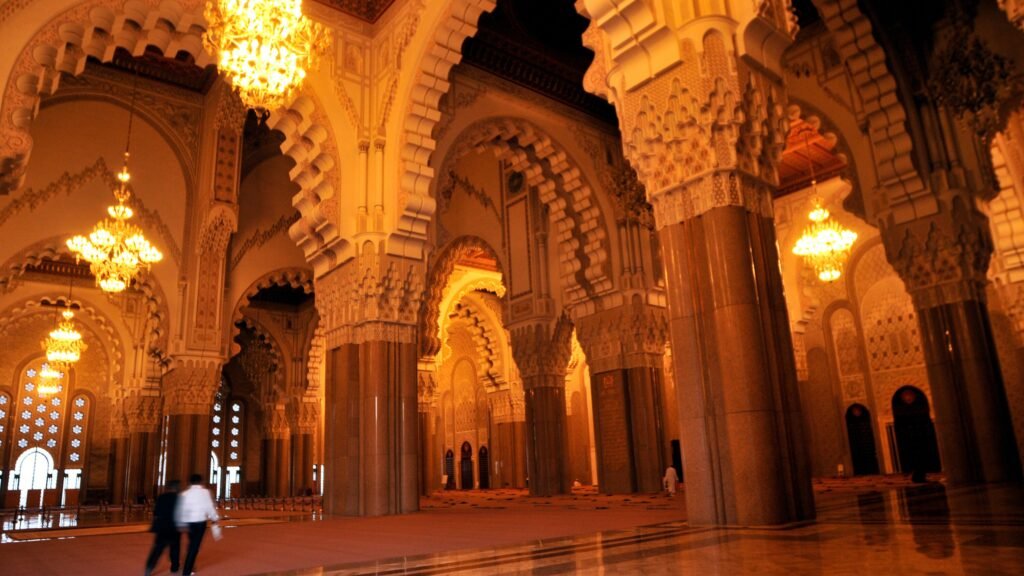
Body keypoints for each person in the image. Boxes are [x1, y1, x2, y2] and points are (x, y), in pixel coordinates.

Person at [175, 473, 220, 576]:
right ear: (201, 482)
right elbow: (209, 506)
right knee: (194, 547)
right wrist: (214, 518)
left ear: (190, 482)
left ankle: (190, 566)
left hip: (189, 523)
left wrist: (180, 523)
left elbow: (180, 510)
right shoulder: (205, 492)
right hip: (200, 523)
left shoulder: (184, 494)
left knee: (192, 544)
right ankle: (187, 571)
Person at [144, 480, 181, 576]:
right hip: (174, 527)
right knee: (175, 548)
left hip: (162, 526)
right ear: (177, 488)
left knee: (157, 549)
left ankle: (149, 567)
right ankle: (174, 568)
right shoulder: (179, 498)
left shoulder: (161, 497)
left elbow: (156, 512)